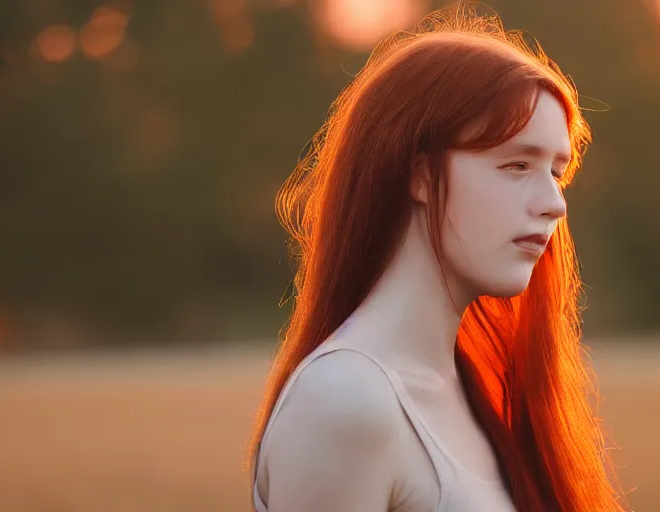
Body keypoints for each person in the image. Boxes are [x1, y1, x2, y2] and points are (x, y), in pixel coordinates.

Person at [246, 3, 630, 511]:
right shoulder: (345, 401)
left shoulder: (477, 389)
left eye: (557, 172)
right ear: (420, 174)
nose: (555, 203)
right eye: (516, 164)